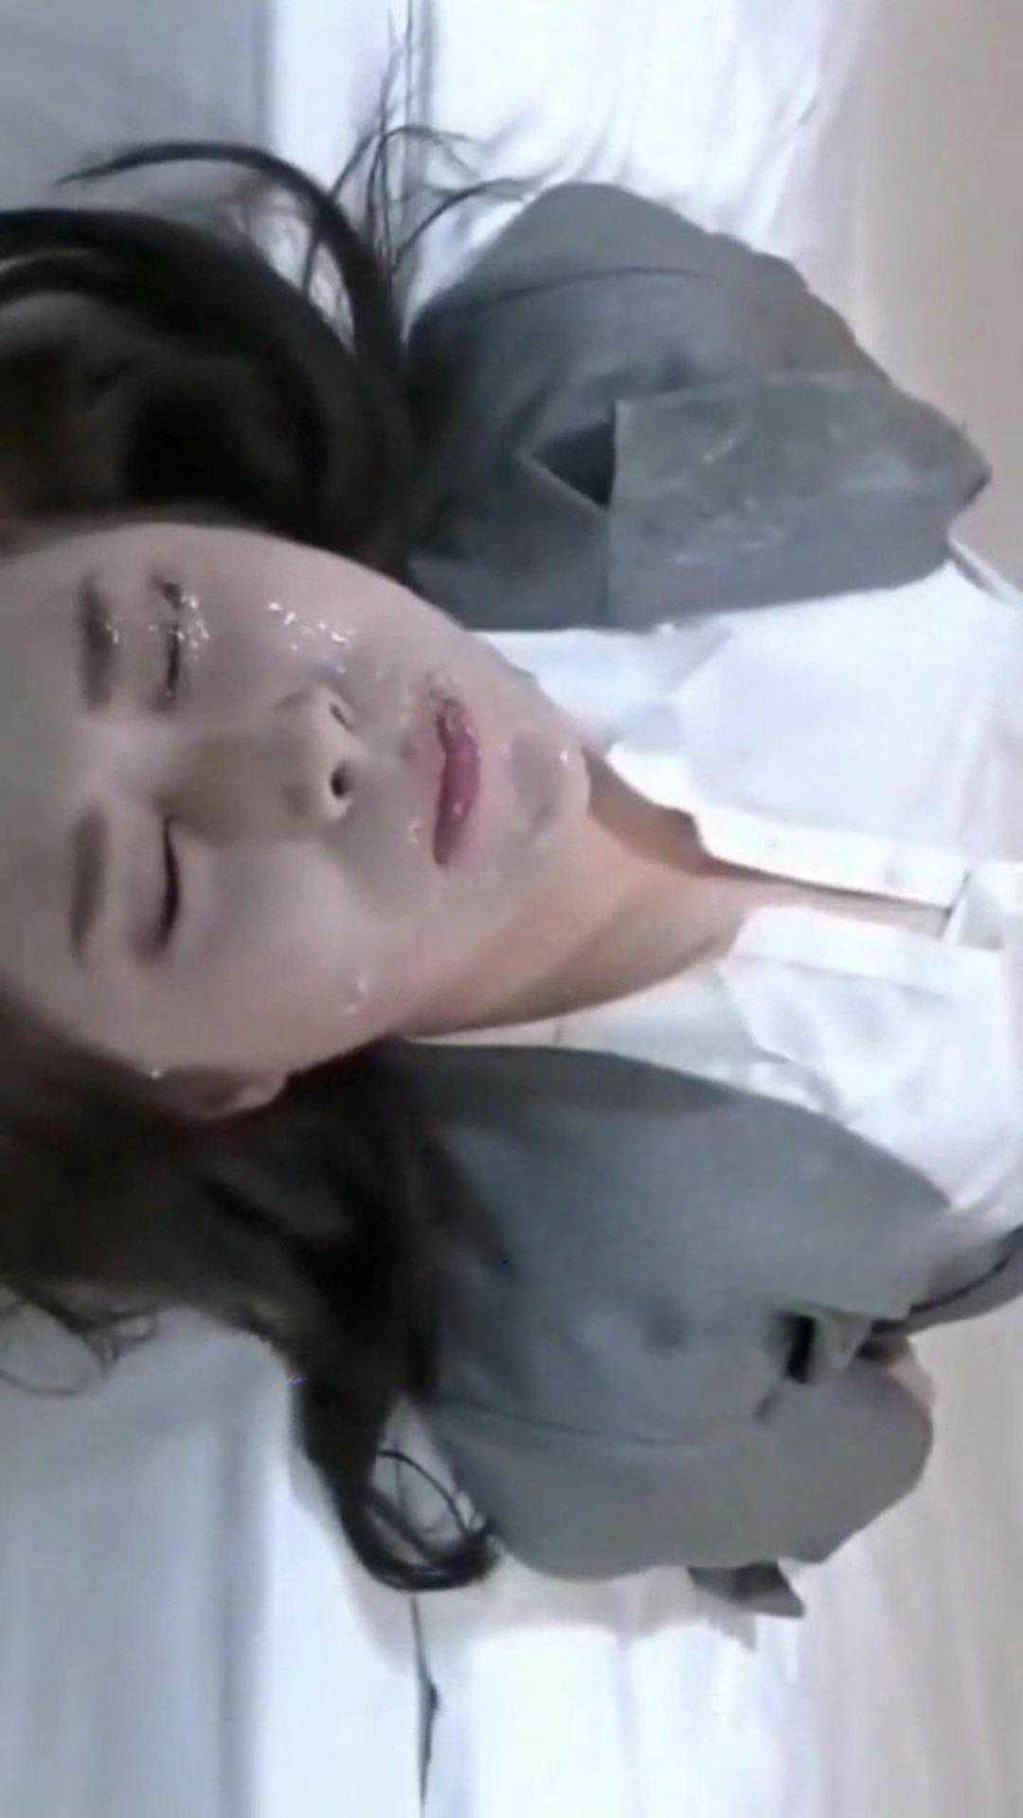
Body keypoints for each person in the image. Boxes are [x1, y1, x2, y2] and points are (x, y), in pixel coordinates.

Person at [1, 137, 1021, 1618]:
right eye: (159, 884)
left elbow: (905, 452)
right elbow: (872, 1447)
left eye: (169, 641)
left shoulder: (598, 351)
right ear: (201, 1084)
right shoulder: (589, 1389)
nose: (304, 756)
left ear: (193, 523)